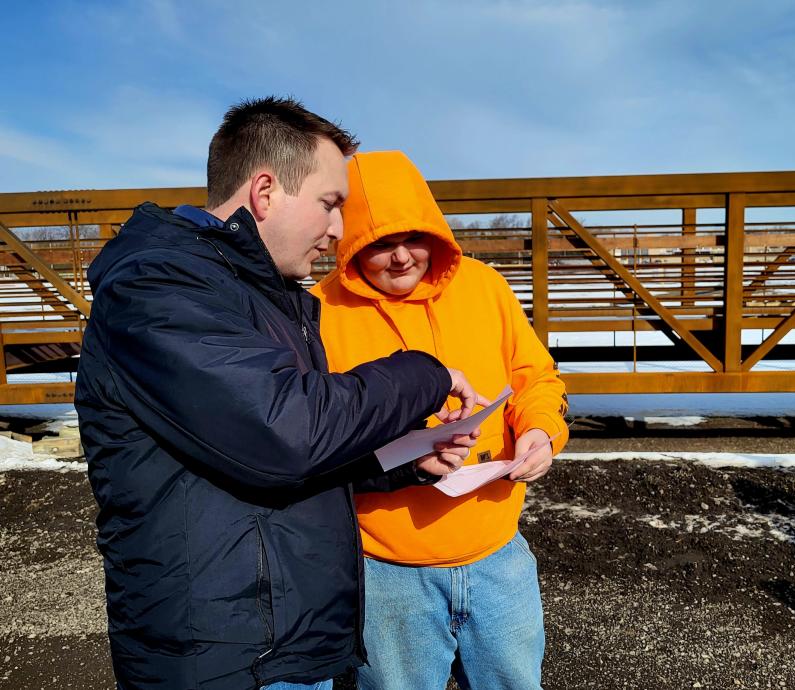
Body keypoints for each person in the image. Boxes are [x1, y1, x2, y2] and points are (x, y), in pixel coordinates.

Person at [74, 98, 482, 690]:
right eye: (330, 203)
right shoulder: (159, 284)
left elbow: (275, 461)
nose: (339, 230)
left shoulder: (264, 295)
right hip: (224, 656)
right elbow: (285, 433)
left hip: (286, 641)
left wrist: (400, 460)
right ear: (265, 192)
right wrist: (425, 372)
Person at [313, 150, 569, 689]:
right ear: (350, 239)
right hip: (386, 572)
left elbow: (535, 378)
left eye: (415, 238)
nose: (403, 258)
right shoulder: (318, 314)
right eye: (381, 243)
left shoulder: (484, 286)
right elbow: (314, 443)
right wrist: (407, 455)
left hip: (499, 554)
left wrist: (541, 431)